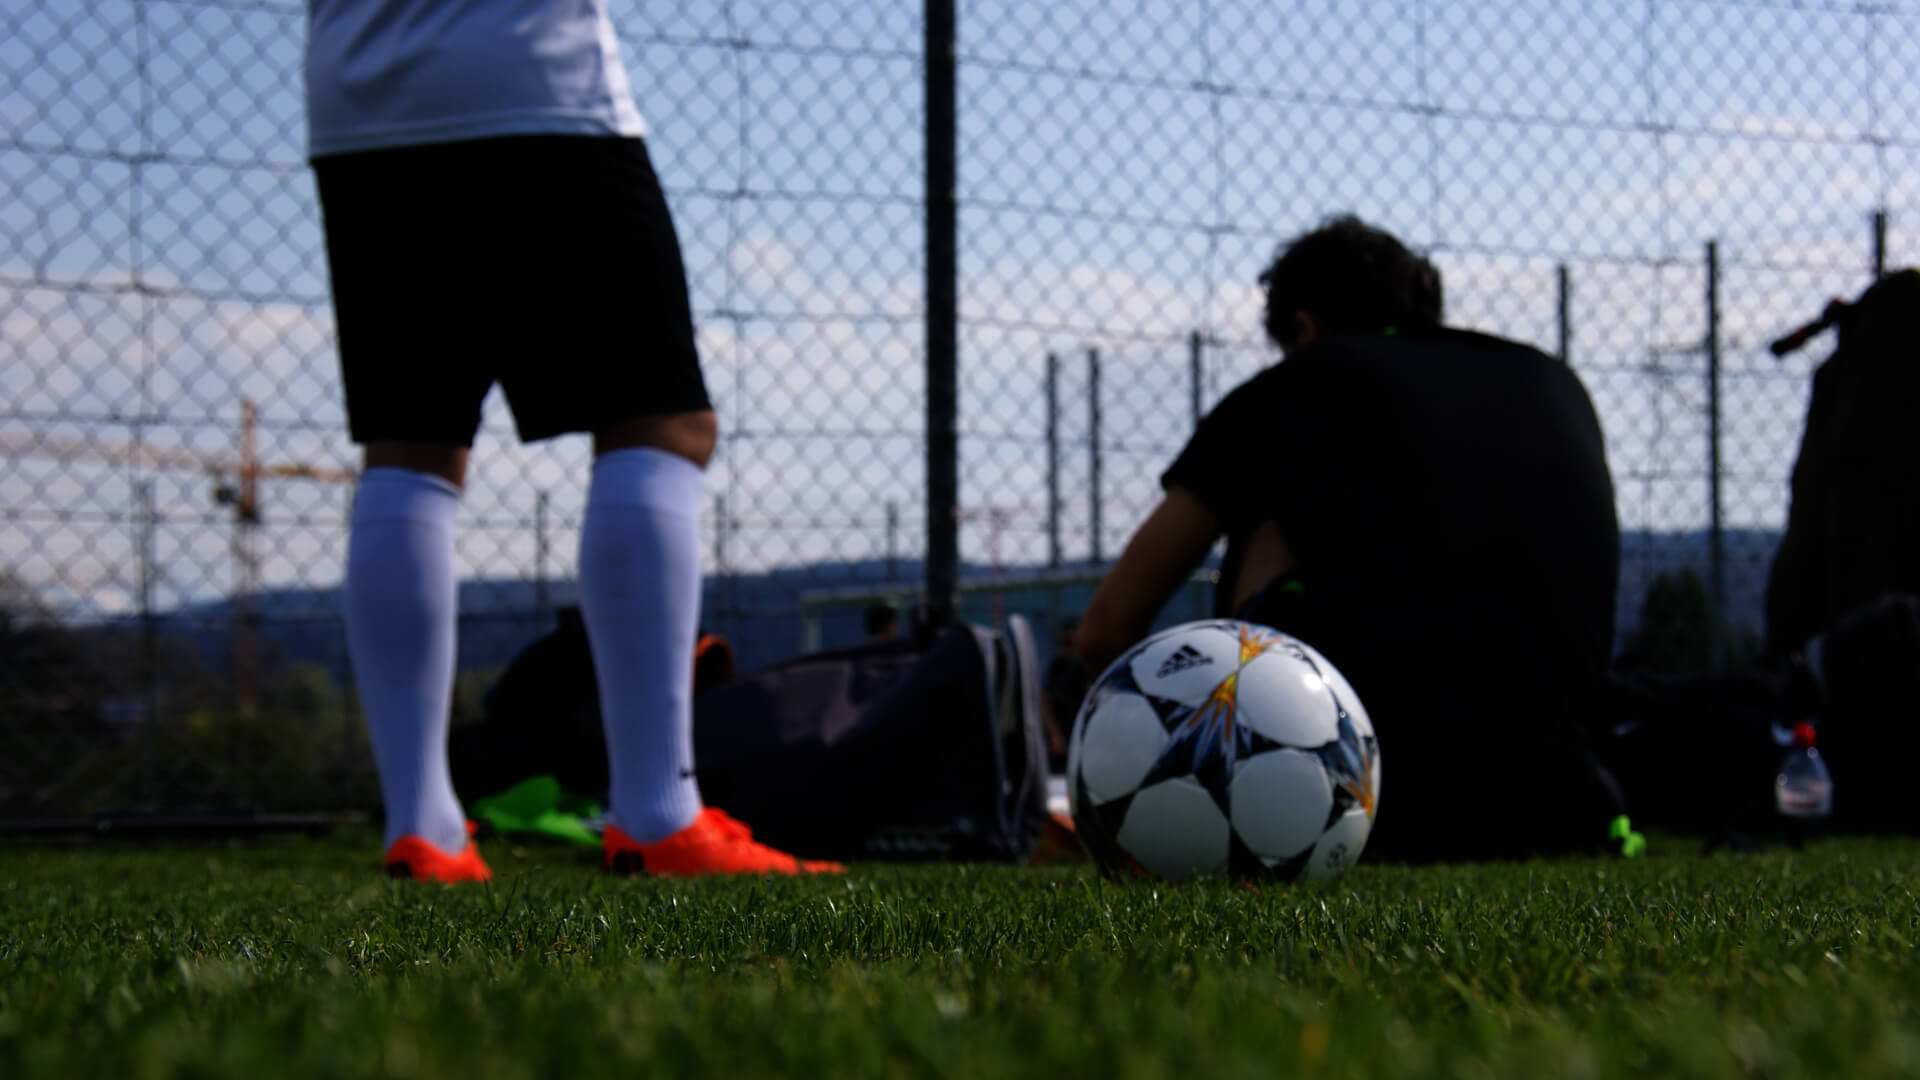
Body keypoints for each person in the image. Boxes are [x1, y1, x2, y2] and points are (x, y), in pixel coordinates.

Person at [306, 0, 839, 880]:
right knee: (659, 423)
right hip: (532, 77)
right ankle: (659, 815)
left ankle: (423, 828)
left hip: (357, 93)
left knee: (410, 446)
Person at [1076, 215, 1628, 861]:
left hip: (1365, 807)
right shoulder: (1551, 380)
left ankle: (1250, 774)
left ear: (1304, 327)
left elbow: (1107, 630)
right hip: (1564, 807)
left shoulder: (1297, 385)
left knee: (1271, 519)